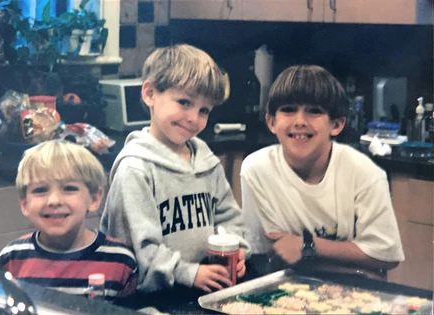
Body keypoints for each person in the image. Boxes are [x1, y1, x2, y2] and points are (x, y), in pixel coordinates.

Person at [100, 44, 250, 293]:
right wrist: (188, 273)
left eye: (204, 110)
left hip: (202, 289)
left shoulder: (206, 163)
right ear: (149, 94)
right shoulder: (135, 170)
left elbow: (231, 220)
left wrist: (238, 249)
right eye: (184, 102)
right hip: (147, 300)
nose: (193, 118)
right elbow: (138, 251)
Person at [240, 65, 404, 278]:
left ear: (336, 124)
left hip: (353, 289)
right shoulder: (256, 170)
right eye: (288, 109)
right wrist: (356, 260)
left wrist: (307, 246)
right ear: (272, 121)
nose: (299, 121)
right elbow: (267, 254)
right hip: (286, 286)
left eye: (314, 110)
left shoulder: (365, 173)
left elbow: (387, 254)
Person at [0, 140, 138, 303]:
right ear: (24, 203)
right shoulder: (11, 260)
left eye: (69, 188)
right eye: (40, 190)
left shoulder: (121, 262)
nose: (54, 200)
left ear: (94, 198)